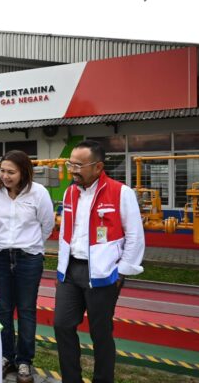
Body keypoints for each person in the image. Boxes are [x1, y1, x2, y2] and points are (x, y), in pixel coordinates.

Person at [54, 140, 145, 383]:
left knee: (100, 333)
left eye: (78, 165)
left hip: (104, 275)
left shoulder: (120, 192)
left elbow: (135, 236)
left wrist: (122, 272)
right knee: (62, 326)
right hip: (71, 271)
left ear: (98, 167)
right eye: (70, 164)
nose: (72, 170)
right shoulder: (70, 192)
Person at [0, 150, 55, 383]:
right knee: (4, 309)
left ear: (24, 172)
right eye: (2, 171)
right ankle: (6, 356)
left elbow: (47, 225)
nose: (5, 176)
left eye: (11, 172)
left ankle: (25, 360)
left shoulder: (39, 193)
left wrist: (30, 243)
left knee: (26, 310)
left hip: (29, 257)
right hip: (0, 256)